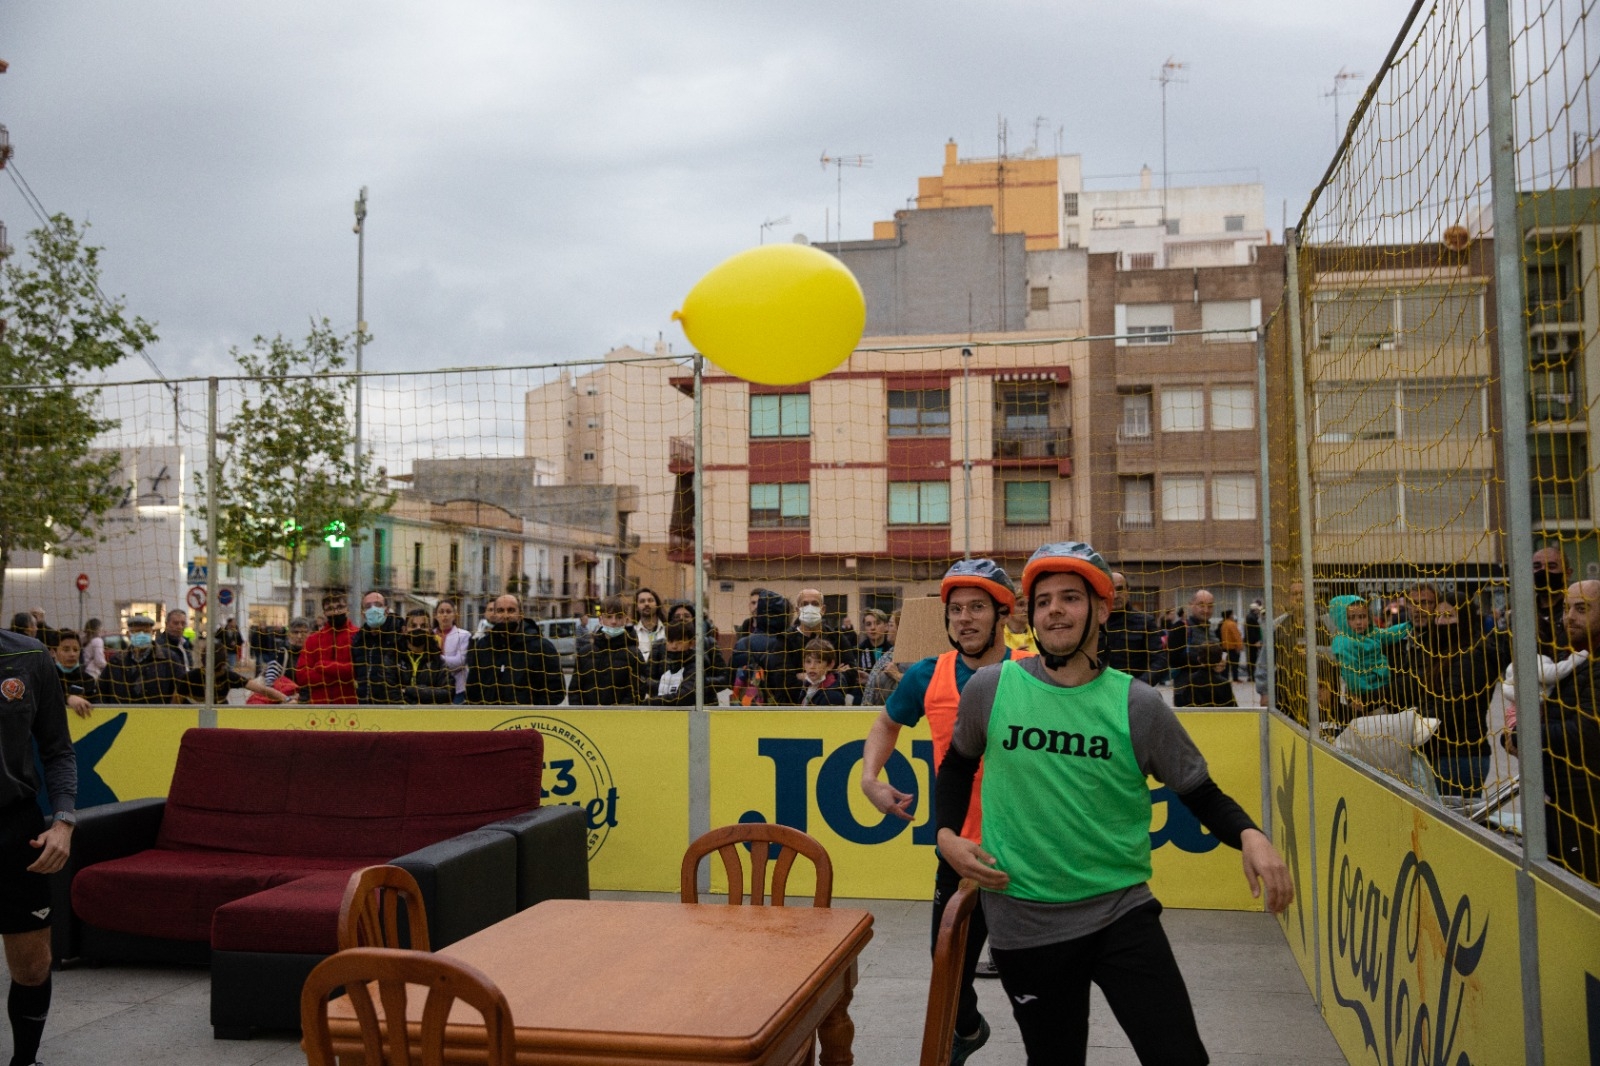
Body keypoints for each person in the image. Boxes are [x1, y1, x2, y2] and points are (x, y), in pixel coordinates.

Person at [935, 541, 1293, 1064]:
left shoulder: (1137, 705)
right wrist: (946, 837)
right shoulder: (991, 689)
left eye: (1071, 598)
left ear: (1102, 609)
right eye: (1043, 600)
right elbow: (957, 766)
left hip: (1120, 914)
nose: (1054, 609)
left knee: (1181, 1058)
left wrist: (1251, 835)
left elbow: (1200, 792)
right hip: (1024, 921)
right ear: (1030, 615)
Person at [860, 559, 1034, 1065]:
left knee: (1039, 975)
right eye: (956, 609)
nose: (964, 618)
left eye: (977, 607)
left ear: (1002, 613)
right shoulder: (926, 675)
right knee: (949, 969)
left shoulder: (1033, 669)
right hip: (958, 849)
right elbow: (885, 725)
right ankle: (966, 1030)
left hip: (1028, 846)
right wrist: (870, 779)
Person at [0, 623, 78, 1066]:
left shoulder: (28, 658)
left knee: (32, 966)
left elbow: (58, 750)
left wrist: (64, 821)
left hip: (14, 827)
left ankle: (25, 1061)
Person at [1517, 579, 1600, 883]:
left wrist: (1527, 736)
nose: (1570, 617)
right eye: (1566, 609)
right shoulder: (1575, 660)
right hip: (1563, 798)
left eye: (1582, 608)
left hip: (1586, 805)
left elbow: (1588, 731)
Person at [465, 594, 564, 705]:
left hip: (524, 720)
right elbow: (472, 689)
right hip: (489, 718)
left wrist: (530, 710)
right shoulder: (483, 646)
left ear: (521, 614)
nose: (506, 615)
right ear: (494, 615)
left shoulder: (542, 647)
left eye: (511, 610)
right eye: (500, 610)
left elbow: (556, 691)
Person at [1328, 595, 1411, 714]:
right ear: (1342, 620)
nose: (1358, 622)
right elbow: (1351, 673)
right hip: (1364, 696)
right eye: (1352, 618)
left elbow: (1388, 635)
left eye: (1362, 617)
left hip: (1382, 688)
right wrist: (1367, 696)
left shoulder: (1370, 633)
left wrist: (1408, 626)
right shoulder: (1344, 642)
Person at [571, 595, 647, 705]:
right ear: (601, 619)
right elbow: (575, 690)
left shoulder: (634, 654)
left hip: (619, 719)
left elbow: (637, 692)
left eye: (619, 617)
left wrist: (616, 712)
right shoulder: (585, 653)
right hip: (587, 718)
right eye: (609, 616)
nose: (614, 621)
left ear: (626, 620)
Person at [1169, 590, 1236, 707]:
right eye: (1201, 605)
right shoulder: (1181, 627)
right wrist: (1207, 661)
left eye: (1210, 606)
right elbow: (1173, 659)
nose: (1206, 610)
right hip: (1188, 694)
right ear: (1191, 605)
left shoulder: (1213, 631)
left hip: (1216, 692)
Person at [99, 615, 183, 704]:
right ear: (128, 634)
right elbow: (102, 690)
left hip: (158, 715)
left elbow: (181, 688)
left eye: (146, 632)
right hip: (123, 715)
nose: (141, 635)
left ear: (153, 633)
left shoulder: (169, 658)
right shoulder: (116, 660)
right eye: (136, 632)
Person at [730, 589, 791, 706]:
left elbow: (729, 679)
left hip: (745, 708)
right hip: (779, 708)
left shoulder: (742, 643)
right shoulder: (787, 643)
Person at [1101, 572, 1163, 685]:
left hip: (1134, 693)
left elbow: (1159, 661)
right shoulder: (1095, 623)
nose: (1115, 595)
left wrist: (1139, 686)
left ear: (1128, 591)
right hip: (1101, 692)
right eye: (1110, 589)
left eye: (1120, 589)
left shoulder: (1145, 622)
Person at [298, 592, 359, 705]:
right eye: (330, 608)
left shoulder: (358, 635)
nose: (336, 612)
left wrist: (324, 666)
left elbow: (358, 670)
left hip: (350, 706)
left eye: (340, 607)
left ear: (347, 609)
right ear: (325, 612)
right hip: (318, 706)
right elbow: (301, 676)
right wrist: (339, 678)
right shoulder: (313, 639)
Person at [646, 619, 718, 706]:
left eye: (679, 642)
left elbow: (684, 696)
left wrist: (650, 702)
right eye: (670, 641)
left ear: (692, 643)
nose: (674, 646)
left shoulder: (696, 666)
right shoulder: (668, 664)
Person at [352, 592, 404, 704]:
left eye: (378, 605)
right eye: (368, 606)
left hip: (394, 708)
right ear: (363, 614)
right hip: (365, 706)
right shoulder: (358, 641)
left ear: (386, 609)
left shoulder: (400, 636)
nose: (373, 609)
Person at [247, 616, 311, 704]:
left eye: (304, 632)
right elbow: (270, 685)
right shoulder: (282, 653)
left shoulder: (313, 653)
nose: (299, 636)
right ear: (289, 634)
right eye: (295, 632)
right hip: (288, 703)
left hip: (310, 703)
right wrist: (287, 697)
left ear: (310, 634)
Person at [397, 608, 453, 704]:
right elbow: (388, 690)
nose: (418, 629)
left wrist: (410, 691)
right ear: (404, 630)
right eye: (413, 626)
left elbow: (447, 693)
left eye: (423, 626)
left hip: (428, 715)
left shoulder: (438, 662)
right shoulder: (394, 658)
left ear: (430, 630)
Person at [861, 610, 905, 706]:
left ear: (901, 629)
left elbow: (920, 684)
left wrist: (897, 675)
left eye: (890, 625)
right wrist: (871, 679)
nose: (873, 628)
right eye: (868, 624)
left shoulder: (909, 656)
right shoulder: (860, 650)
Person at [51, 629, 96, 719]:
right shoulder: (47, 677)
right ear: (53, 652)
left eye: (76, 650)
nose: (72, 654)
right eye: (66, 650)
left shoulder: (88, 679)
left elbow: (98, 706)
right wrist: (68, 698)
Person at [434, 600, 470, 704]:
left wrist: (436, 658)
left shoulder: (464, 635)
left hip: (458, 687)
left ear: (455, 615)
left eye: (448, 611)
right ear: (435, 615)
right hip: (435, 686)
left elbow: (460, 661)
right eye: (441, 612)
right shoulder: (429, 635)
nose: (445, 615)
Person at [797, 639, 848, 707]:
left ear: (830, 665)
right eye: (808, 662)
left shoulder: (833, 697)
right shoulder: (807, 685)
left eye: (818, 662)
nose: (812, 667)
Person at [631, 588, 666, 662]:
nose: (646, 604)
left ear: (657, 604)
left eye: (650, 600)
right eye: (642, 601)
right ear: (636, 607)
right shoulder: (630, 633)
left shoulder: (668, 631)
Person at [1219, 609, 1245, 681]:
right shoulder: (1232, 624)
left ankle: (1225, 678)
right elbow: (1236, 636)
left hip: (1224, 647)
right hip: (1233, 648)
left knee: (1226, 665)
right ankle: (1235, 678)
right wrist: (1240, 647)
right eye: (1232, 614)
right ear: (1230, 615)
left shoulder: (1223, 624)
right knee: (1235, 665)